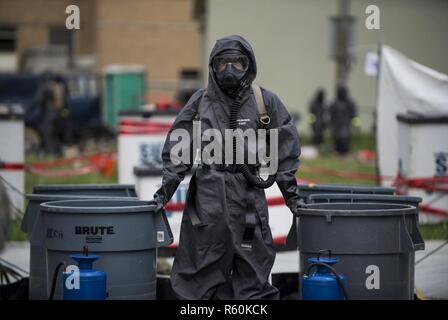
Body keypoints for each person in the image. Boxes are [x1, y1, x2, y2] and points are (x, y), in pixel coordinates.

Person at [150, 35, 303, 300]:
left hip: (249, 203)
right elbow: (177, 152)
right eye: (223, 64)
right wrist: (163, 193)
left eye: (238, 63)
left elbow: (285, 154)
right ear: (213, 66)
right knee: (196, 280)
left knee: (253, 279)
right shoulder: (200, 104)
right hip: (207, 204)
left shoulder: (264, 103)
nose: (230, 70)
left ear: (249, 66)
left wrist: (293, 199)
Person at [329, 86, 357, 155]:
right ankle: (337, 151)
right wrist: (330, 123)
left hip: (346, 124)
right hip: (336, 125)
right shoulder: (334, 102)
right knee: (337, 138)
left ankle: (345, 152)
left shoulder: (350, 103)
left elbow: (354, 114)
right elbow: (331, 113)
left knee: (344, 138)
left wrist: (356, 125)